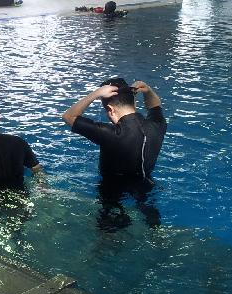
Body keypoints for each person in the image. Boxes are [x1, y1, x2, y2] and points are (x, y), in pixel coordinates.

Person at [62, 78, 166, 228]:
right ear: (135, 104)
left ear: (110, 110)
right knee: (150, 217)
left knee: (108, 226)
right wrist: (148, 90)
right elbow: (155, 106)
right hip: (145, 184)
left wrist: (95, 94)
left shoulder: (110, 134)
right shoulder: (157, 125)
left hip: (111, 188)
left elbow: (68, 116)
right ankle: (157, 232)